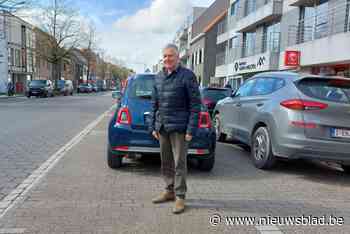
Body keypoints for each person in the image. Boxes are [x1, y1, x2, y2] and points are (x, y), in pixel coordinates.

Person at [149, 43, 201, 214]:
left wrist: (190, 130)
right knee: (166, 162)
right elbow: (154, 103)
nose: (167, 59)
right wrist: (153, 126)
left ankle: (180, 196)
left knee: (179, 163)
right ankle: (169, 190)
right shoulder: (158, 77)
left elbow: (195, 105)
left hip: (180, 128)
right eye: (164, 56)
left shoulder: (187, 76)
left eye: (170, 56)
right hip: (162, 127)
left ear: (178, 57)